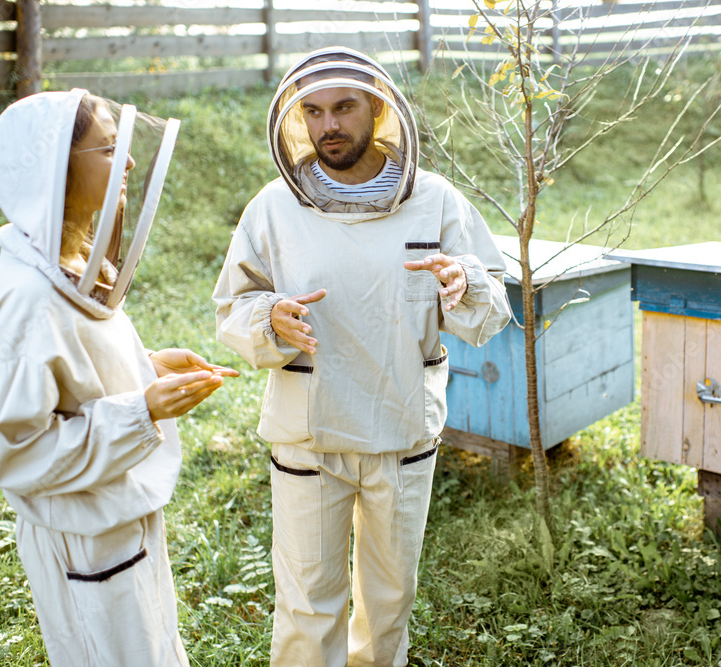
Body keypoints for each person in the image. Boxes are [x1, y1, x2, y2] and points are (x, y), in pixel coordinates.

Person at [213, 47, 511, 666]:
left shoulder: (435, 201)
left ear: (377, 108)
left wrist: (464, 285)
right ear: (296, 119)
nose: (329, 126)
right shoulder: (273, 207)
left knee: (390, 600)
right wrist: (269, 317)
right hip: (307, 434)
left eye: (344, 107)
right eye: (314, 111)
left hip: (402, 431)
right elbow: (232, 310)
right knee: (305, 602)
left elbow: (491, 306)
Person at [0, 89, 237, 666]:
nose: (131, 162)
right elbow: (14, 453)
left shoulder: (64, 258)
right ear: (56, 169)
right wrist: (143, 410)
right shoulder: (27, 299)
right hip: (84, 538)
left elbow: (76, 371)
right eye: (110, 148)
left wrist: (147, 369)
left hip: (112, 518)